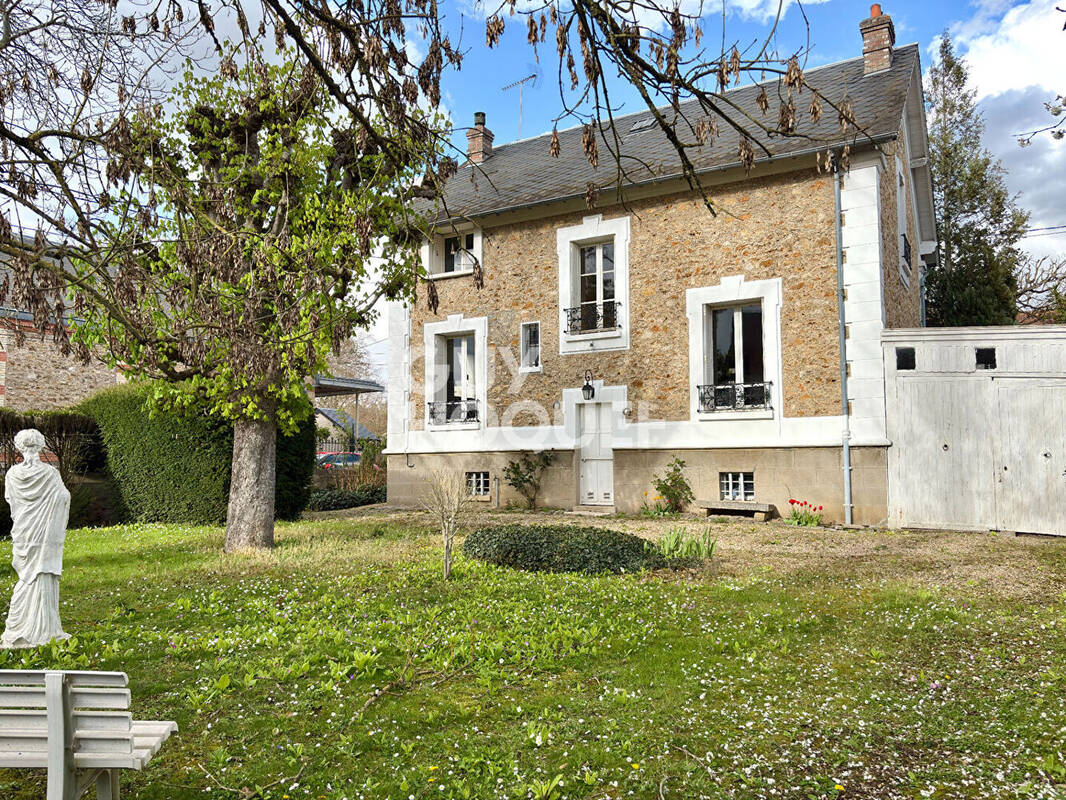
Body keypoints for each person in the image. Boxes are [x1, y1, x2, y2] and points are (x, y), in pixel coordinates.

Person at [1, 428, 70, 648]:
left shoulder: (13, 474)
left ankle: (20, 626)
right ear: (41, 446)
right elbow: (63, 496)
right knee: (42, 574)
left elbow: (12, 502)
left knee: (27, 577)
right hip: (44, 533)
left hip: (25, 532)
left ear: (19, 448)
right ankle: (43, 629)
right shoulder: (50, 474)